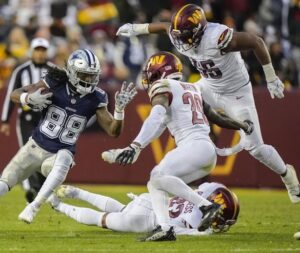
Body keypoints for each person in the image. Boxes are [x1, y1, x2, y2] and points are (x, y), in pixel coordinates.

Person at [116, 4, 300, 204]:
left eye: (186, 35)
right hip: (208, 86)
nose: (182, 41)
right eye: (179, 36)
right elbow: (163, 26)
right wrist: (136, 29)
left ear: (199, 30)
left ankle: (287, 176)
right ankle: (184, 151)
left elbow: (256, 42)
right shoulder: (179, 33)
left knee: (256, 148)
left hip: (236, 93)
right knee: (175, 99)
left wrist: (271, 78)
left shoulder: (217, 37)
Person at [102, 51, 253, 241]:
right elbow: (216, 117)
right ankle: (165, 229)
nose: (149, 79)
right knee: (156, 183)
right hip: (207, 152)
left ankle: (206, 205)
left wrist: (135, 146)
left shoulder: (163, 86)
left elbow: (156, 115)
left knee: (157, 176)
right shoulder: (192, 88)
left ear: (159, 72)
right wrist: (242, 125)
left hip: (193, 147)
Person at [0, 49, 137, 224]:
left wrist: (119, 111)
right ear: (72, 72)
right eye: (84, 75)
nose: (89, 80)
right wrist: (28, 98)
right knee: (4, 184)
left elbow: (113, 131)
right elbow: (15, 94)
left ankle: (33, 206)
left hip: (58, 154)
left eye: (91, 76)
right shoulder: (54, 82)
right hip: (34, 146)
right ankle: (46, 200)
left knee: (65, 156)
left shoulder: (97, 97)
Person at [47, 182, 240, 236]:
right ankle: (59, 205)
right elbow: (190, 232)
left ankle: (77, 192)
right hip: (145, 221)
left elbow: (208, 187)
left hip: (149, 201)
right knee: (102, 219)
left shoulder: (202, 192)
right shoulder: (201, 225)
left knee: (122, 209)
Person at [0, 37, 53, 203]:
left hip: (46, 118)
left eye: (43, 50)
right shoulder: (21, 71)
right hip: (27, 119)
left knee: (46, 152)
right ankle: (31, 188)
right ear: (31, 51)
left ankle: (42, 186)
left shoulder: (53, 70)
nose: (39, 53)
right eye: (37, 50)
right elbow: (12, 95)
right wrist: (5, 120)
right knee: (28, 151)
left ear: (46, 52)